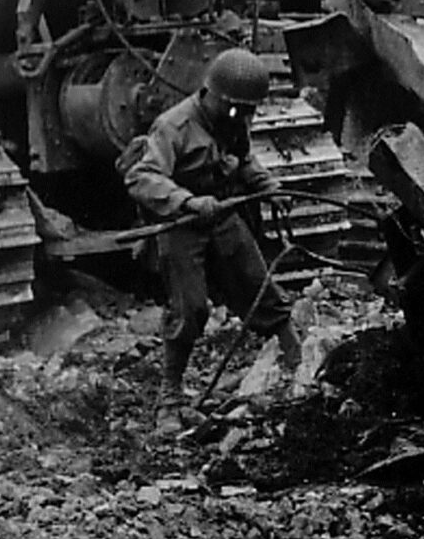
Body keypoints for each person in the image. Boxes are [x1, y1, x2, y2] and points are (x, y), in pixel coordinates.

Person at [119, 48, 300, 415]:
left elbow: (244, 160)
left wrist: (269, 188)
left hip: (223, 216)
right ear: (212, 95)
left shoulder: (233, 119)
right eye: (237, 109)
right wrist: (186, 201)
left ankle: (303, 366)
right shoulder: (174, 127)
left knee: (262, 289)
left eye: (249, 111)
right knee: (190, 310)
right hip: (182, 225)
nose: (243, 118)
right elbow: (141, 177)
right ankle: (169, 398)